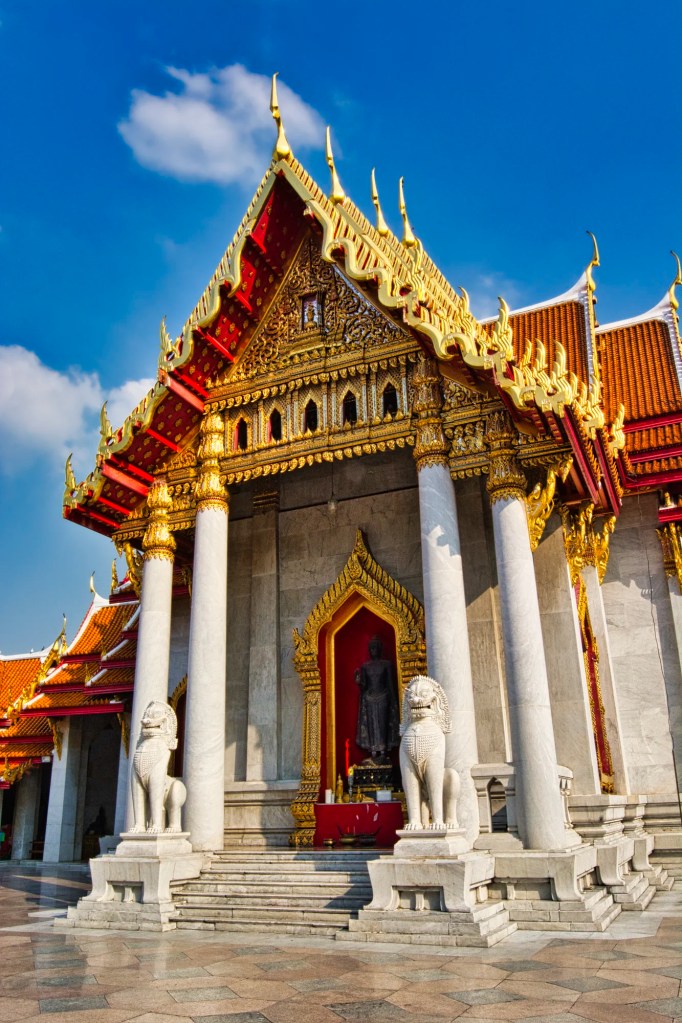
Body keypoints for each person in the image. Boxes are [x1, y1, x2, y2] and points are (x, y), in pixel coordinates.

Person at [354, 636, 399, 763]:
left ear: (380, 649)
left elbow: (390, 684)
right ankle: (373, 751)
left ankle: (383, 752)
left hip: (383, 696)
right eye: (371, 648)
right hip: (369, 698)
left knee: (383, 723)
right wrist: (358, 682)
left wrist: (394, 702)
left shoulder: (386, 664)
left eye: (375, 648)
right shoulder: (365, 666)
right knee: (372, 724)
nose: (373, 650)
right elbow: (364, 686)